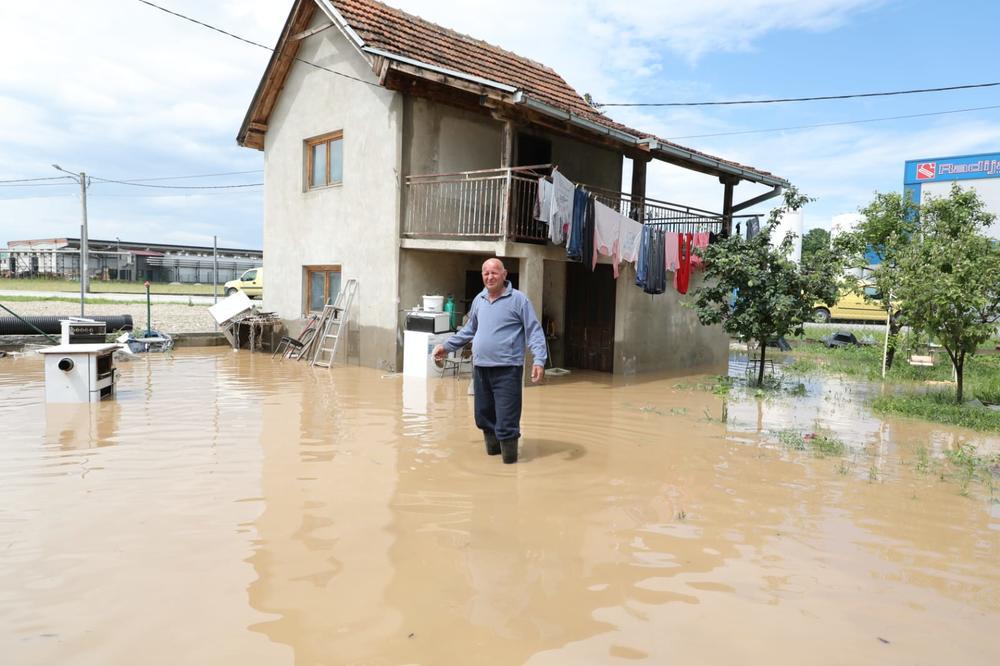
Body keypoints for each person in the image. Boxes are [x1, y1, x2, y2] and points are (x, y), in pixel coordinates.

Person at [432, 258, 546, 464]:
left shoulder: (519, 300)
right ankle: (493, 460)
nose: (489, 276)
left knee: (507, 418)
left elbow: (534, 331)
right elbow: (469, 330)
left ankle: (509, 463)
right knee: (483, 415)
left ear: (504, 274)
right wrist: (447, 346)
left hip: (508, 369)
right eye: (486, 273)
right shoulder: (479, 299)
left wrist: (539, 360)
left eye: (494, 272)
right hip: (481, 368)